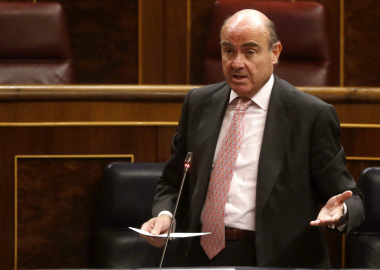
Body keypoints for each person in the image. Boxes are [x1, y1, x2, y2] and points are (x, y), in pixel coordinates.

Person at [140, 9, 364, 268]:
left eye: (249, 51)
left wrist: (340, 213)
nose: (236, 63)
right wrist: (166, 215)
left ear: (275, 53)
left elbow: (350, 197)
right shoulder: (199, 103)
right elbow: (173, 181)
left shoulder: (311, 115)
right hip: (198, 255)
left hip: (273, 259)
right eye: (228, 51)